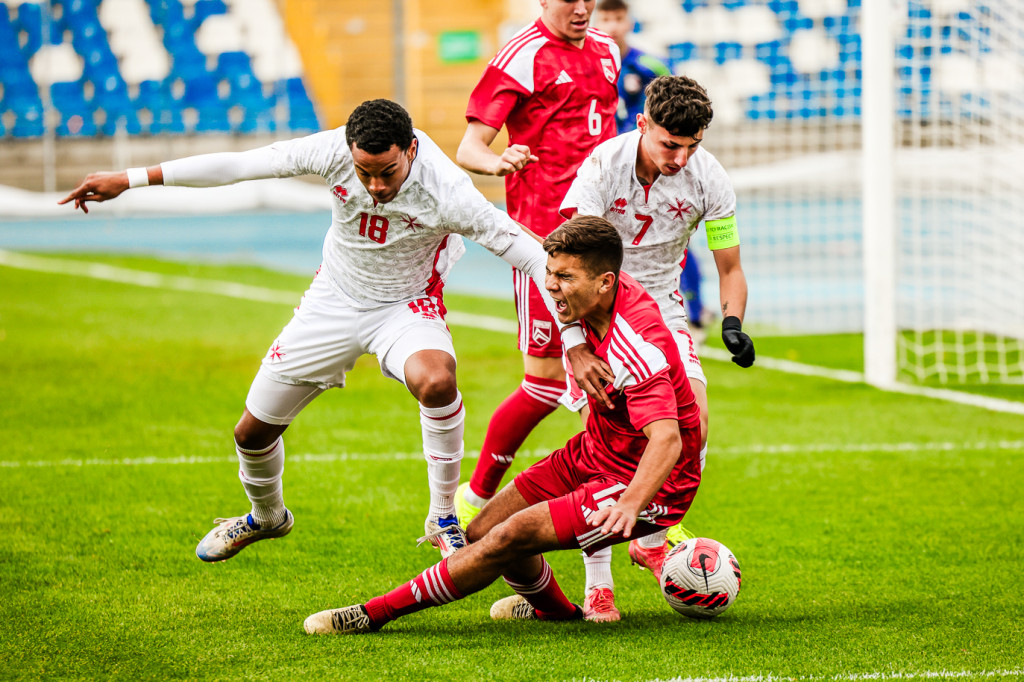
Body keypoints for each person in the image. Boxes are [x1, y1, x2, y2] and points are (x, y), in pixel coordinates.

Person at [58, 98, 592, 563]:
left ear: (410, 149)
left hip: (406, 306)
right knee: (251, 433)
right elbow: (243, 166)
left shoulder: (447, 189)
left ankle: (442, 516)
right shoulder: (333, 149)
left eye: (386, 172)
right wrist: (129, 180)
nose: (375, 185)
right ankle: (266, 516)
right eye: (364, 174)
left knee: (436, 380)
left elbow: (528, 253)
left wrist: (573, 341)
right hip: (332, 300)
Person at [303, 216, 703, 635]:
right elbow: (560, 297)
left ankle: (373, 613)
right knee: (481, 530)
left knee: (508, 537)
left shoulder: (638, 346)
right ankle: (557, 612)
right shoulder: (593, 294)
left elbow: (667, 439)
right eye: (550, 272)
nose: (550, 285)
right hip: (596, 450)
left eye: (563, 277)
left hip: (650, 482)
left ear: (604, 283)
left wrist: (631, 503)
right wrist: (575, 342)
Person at [454, 0, 622, 620]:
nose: (581, 8)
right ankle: (474, 499)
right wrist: (497, 161)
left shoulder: (607, 51)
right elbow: (469, 146)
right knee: (550, 384)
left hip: (603, 245)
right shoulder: (520, 55)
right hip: (544, 251)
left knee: (609, 388)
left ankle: (633, 540)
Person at [559, 75, 755, 608]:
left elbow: (730, 265)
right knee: (608, 451)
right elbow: (566, 271)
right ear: (643, 124)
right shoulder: (601, 168)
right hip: (595, 310)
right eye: (670, 144)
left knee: (696, 427)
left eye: (692, 146)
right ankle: (597, 586)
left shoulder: (709, 179)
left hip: (663, 311)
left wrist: (733, 322)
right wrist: (575, 341)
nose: (681, 157)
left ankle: (648, 542)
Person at [591, 0, 672, 135]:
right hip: (597, 146)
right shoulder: (585, 66)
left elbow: (672, 104)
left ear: (630, 23)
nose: (613, 26)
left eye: (619, 19)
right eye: (605, 19)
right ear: (595, 25)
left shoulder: (652, 66)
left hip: (639, 144)